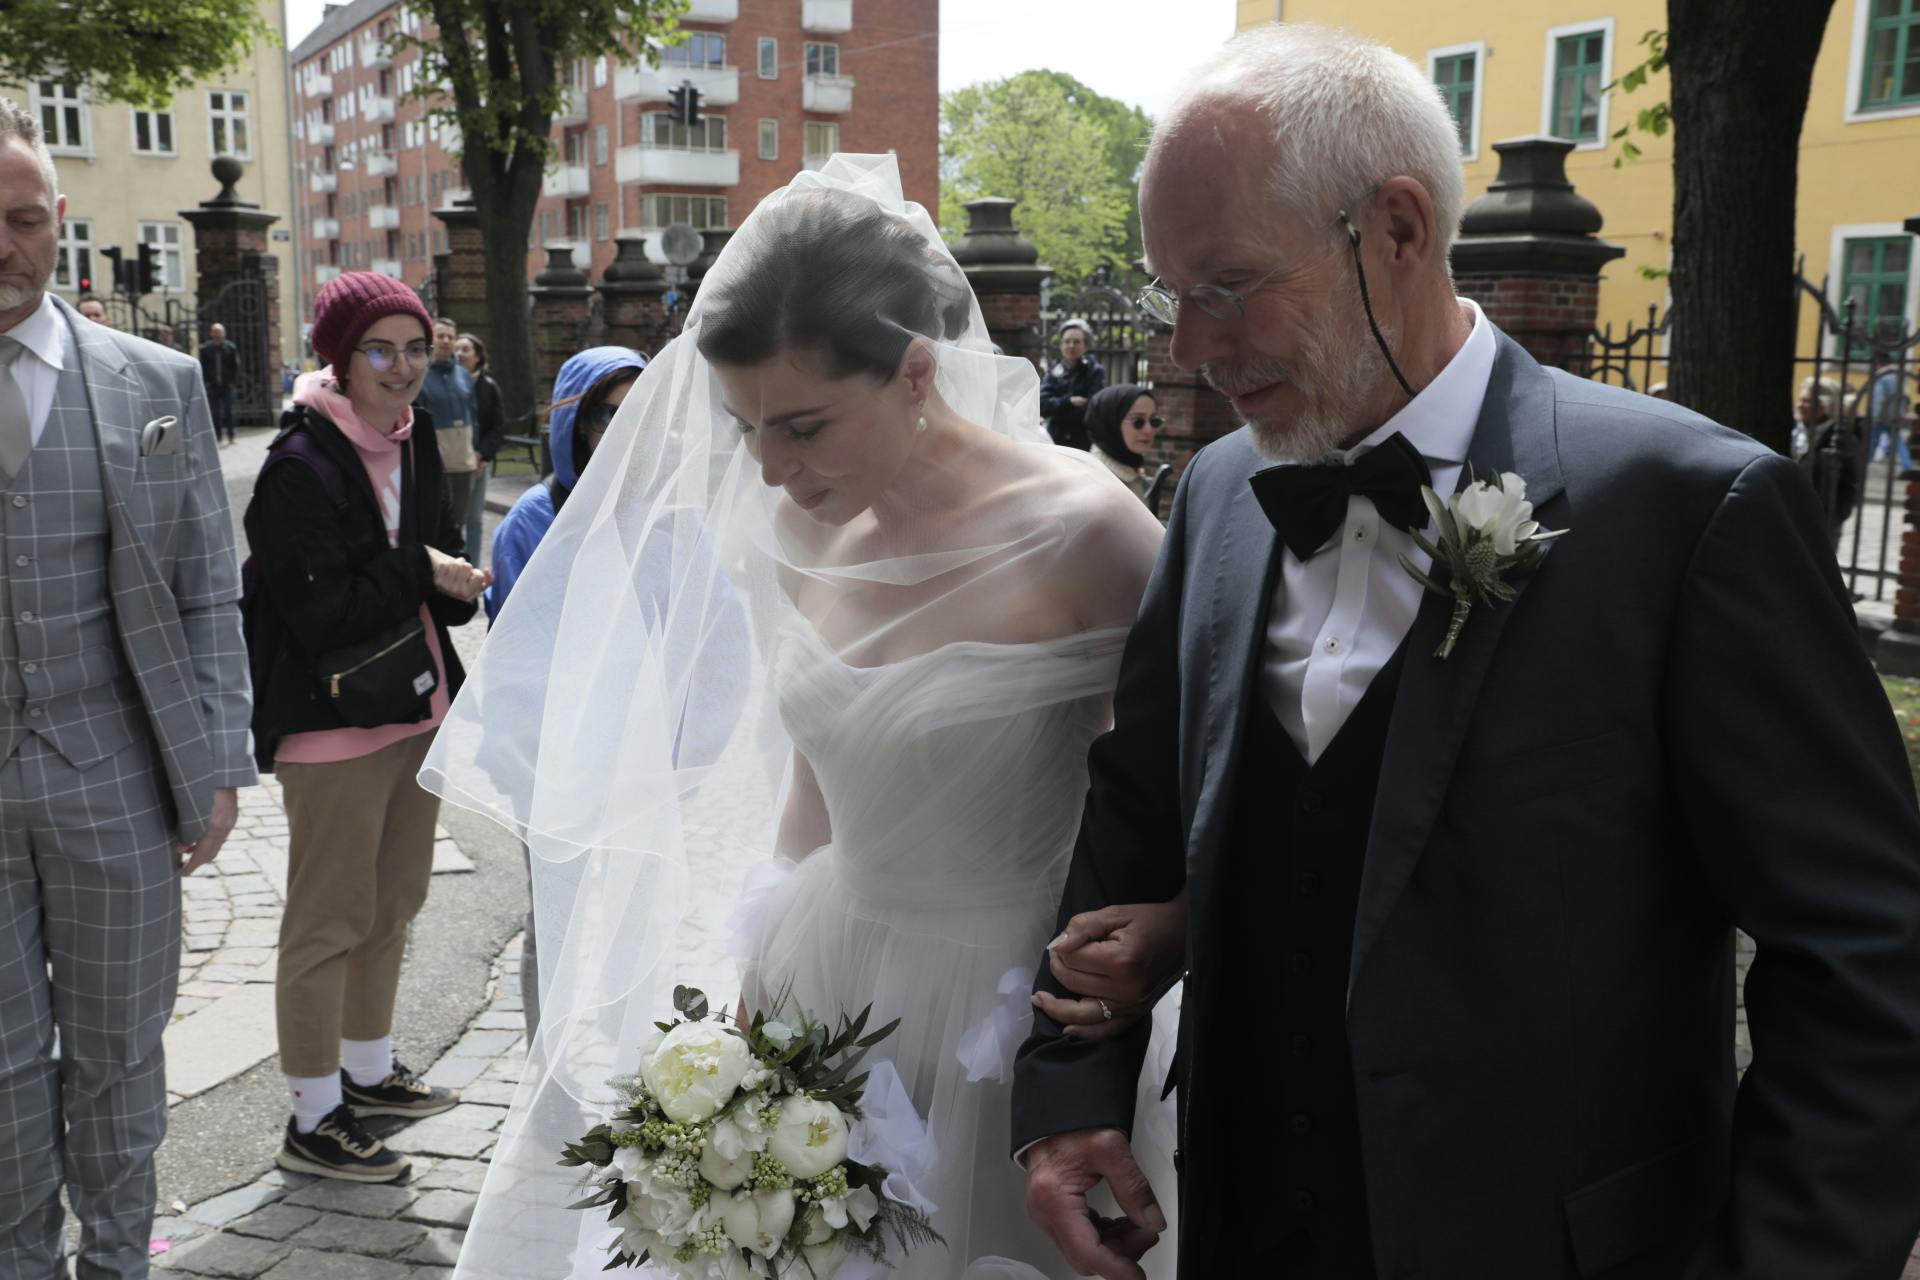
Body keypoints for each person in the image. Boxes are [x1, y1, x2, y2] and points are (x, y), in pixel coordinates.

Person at [1014, 24, 1920, 1280]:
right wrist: (1070, 1087)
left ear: (1396, 229)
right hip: (1241, 1227)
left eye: (1226, 286)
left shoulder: (1691, 511)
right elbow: (1135, 821)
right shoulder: (1220, 495)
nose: (1189, 352)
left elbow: (1865, 959)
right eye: (1172, 294)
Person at [419, 154, 1178, 1279]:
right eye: (747, 429)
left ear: (917, 371)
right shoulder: (809, 528)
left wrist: (1173, 922)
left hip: (1010, 1008)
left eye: (805, 426)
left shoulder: (1090, 535)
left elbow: (1181, 786)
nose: (771, 469)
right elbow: (817, 782)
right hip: (825, 967)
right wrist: (757, 989)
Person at [0, 99, 253, 1277]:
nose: (3, 243)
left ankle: (115, 1258)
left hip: (116, 773)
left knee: (117, 1050)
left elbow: (209, 584)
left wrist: (215, 763)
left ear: (59, 221)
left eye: (20, 218)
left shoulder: (154, 382)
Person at [244, 271, 490, 1185]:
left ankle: (371, 1073)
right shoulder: (296, 467)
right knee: (327, 921)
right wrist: (420, 566)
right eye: (378, 350)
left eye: (415, 348)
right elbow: (326, 613)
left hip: (413, 708)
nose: (401, 368)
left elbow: (417, 571)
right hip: (328, 724)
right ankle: (313, 1119)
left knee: (394, 904)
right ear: (338, 359)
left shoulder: (414, 436)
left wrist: (449, 581)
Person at [482, 345, 644, 1043]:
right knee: (558, 913)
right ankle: (545, 1067)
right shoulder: (534, 518)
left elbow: (714, 641)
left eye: (638, 412)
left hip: (640, 759)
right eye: (608, 415)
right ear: (577, 425)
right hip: (555, 760)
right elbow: (518, 656)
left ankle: (633, 1060)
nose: (622, 429)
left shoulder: (663, 510)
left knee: (637, 917)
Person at [415, 316, 478, 534]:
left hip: (463, 463)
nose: (446, 340)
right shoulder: (419, 374)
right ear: (430, 340)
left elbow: (474, 414)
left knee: (458, 524)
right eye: (440, 335)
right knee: (434, 524)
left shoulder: (463, 375)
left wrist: (476, 450)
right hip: (434, 465)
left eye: (450, 336)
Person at [1792, 376, 1862, 549]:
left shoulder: (1840, 438)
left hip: (1819, 525)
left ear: (1826, 406)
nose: (1800, 405)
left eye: (1807, 401)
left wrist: (1831, 520)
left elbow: (1851, 486)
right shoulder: (1795, 431)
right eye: (1801, 399)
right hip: (1788, 517)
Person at [455, 332, 505, 566]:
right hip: (454, 463)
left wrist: (482, 455)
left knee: (474, 520)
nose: (460, 354)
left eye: (465, 349)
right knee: (455, 521)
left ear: (478, 356)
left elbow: (496, 426)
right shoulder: (450, 384)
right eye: (457, 350)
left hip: (478, 462)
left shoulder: (489, 387)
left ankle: (472, 566)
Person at [1085, 383, 1164, 497]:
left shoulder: (1129, 469)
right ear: (1111, 423)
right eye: (1138, 421)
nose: (1148, 430)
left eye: (1154, 421)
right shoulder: (1096, 481)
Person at [1039, 318, 1105, 449]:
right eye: (1067, 341)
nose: (1071, 346)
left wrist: (1058, 408)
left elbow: (1093, 406)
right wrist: (1069, 402)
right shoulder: (1053, 371)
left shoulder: (1095, 371)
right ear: (1061, 345)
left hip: (1082, 440)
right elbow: (1042, 404)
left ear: (1085, 346)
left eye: (1076, 342)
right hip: (1055, 439)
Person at [1859, 365, 1914, 470]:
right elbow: (1905, 398)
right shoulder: (1901, 378)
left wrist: (1875, 416)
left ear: (1879, 366)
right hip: (1895, 417)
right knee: (1898, 442)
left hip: (1881, 417)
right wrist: (1902, 414)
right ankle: (1907, 465)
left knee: (1873, 441)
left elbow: (1878, 399)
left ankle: (1866, 463)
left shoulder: (1881, 377)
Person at [199, 321, 241, 446]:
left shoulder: (230, 348)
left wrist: (232, 382)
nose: (217, 334)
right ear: (211, 333)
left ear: (224, 333)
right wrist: (206, 382)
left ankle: (231, 435)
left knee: (229, 411)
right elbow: (202, 366)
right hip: (212, 385)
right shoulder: (206, 349)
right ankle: (217, 437)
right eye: (215, 332)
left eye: (220, 332)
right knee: (214, 412)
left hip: (227, 385)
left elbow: (236, 366)